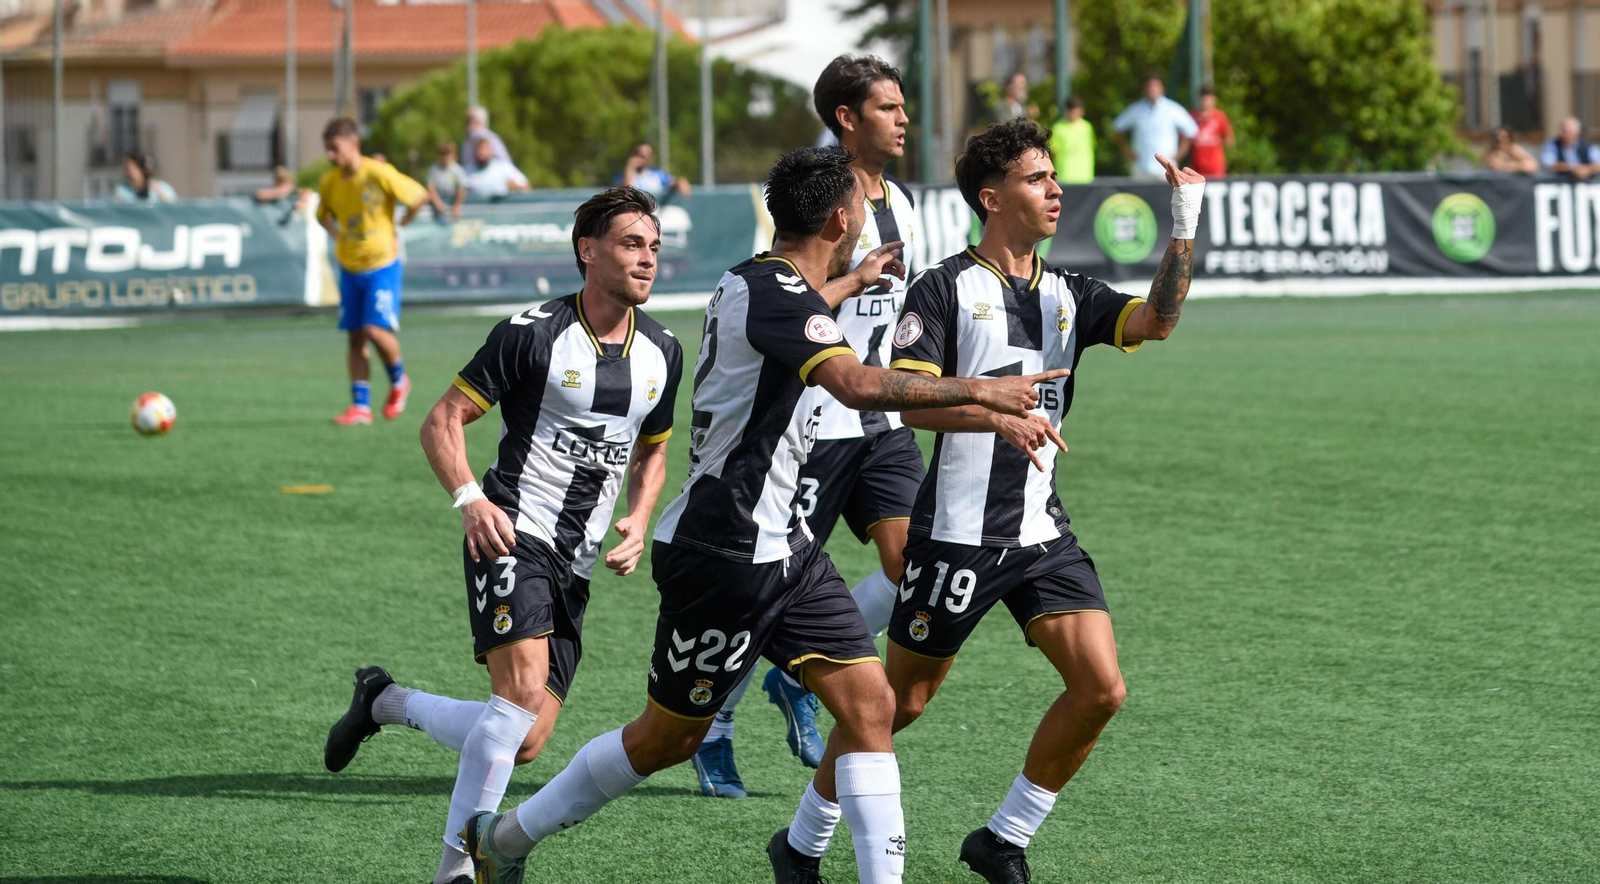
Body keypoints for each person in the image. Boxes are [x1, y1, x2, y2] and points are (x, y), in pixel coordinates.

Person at [459, 145, 1066, 884]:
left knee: (871, 707)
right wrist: (987, 394)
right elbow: (854, 384)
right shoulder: (774, 291)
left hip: (787, 548)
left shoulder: (772, 282)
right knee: (664, 739)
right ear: (842, 218)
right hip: (721, 553)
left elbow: (807, 309)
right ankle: (507, 840)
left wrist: (852, 282)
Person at [866, 119, 1201, 883]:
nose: (1056, 189)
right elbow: (907, 402)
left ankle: (1004, 838)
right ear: (993, 197)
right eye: (1035, 178)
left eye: (1054, 176)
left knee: (1100, 689)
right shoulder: (944, 288)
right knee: (897, 708)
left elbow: (1159, 322)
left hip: (1042, 533)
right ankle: (805, 835)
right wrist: (993, 411)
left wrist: (1183, 222)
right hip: (956, 534)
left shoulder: (1070, 294)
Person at [322, 186, 683, 884]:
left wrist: (638, 517)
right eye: (632, 244)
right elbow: (443, 420)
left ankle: (383, 701)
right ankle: (457, 871)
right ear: (588, 251)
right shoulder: (533, 332)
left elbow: (655, 449)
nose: (648, 259)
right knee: (517, 698)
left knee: (523, 740)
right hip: (513, 530)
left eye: (654, 247)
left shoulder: (663, 349)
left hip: (576, 561)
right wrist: (469, 500)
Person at [691, 53, 924, 801]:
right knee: (769, 589)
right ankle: (716, 727)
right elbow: (781, 296)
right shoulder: (816, 200)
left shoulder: (905, 204)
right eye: (887, 107)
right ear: (848, 119)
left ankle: (796, 685)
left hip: (881, 423)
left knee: (912, 566)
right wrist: (852, 279)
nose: (903, 119)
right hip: (813, 423)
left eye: (902, 106)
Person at [315, 117, 427, 426]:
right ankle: (361, 408)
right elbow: (321, 214)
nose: (330, 156)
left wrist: (399, 226)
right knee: (355, 338)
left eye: (334, 148)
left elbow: (419, 196)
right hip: (349, 267)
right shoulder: (329, 181)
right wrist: (336, 236)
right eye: (327, 149)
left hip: (382, 265)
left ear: (353, 144)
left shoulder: (378, 173)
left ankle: (400, 380)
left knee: (374, 330)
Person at [1112, 75, 1198, 179]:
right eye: (1149, 86)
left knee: (1167, 195)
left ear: (1162, 89)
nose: (1152, 89)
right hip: (1141, 167)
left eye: (1156, 86)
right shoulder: (1136, 109)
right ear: (1144, 89)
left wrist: (1178, 155)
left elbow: (1191, 131)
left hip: (1166, 169)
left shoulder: (1172, 108)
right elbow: (1118, 128)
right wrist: (1126, 151)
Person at [1189, 85, 1234, 179]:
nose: (1206, 102)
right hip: (1198, 165)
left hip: (1215, 166)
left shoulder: (1220, 116)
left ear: (1214, 99)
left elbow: (1229, 138)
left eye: (1209, 98)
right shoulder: (1192, 117)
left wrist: (1216, 141)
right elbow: (1185, 139)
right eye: (1204, 98)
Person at [616, 141, 691, 198]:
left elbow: (672, 182)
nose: (642, 159)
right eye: (639, 155)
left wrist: (681, 181)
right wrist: (630, 168)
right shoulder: (622, 175)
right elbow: (623, 193)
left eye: (646, 156)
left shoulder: (658, 175)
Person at [1049, 94, 1095, 184]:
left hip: (1086, 175)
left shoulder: (1087, 127)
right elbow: (1053, 153)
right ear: (1067, 111)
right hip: (1065, 175)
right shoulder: (1058, 128)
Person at [463, 137, 530, 198]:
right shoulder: (468, 171)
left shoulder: (503, 167)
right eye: (478, 149)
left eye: (483, 149)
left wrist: (515, 188)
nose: (481, 152)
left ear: (491, 151)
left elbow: (526, 186)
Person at [426, 141, 468, 221]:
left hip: (453, 201)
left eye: (448, 154)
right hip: (439, 202)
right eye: (442, 154)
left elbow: (462, 189)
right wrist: (437, 202)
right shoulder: (434, 169)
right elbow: (431, 187)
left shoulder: (458, 170)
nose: (445, 157)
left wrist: (457, 205)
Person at [461, 106, 511, 174]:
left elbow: (504, 161)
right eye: (467, 119)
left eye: (470, 119)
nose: (467, 122)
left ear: (480, 120)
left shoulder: (490, 138)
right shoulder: (467, 141)